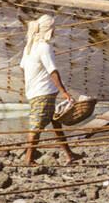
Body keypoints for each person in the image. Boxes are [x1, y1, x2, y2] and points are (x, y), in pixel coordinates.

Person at [20, 15, 84, 165]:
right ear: (48, 30)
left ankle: (69, 155)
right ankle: (29, 159)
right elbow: (52, 71)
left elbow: (22, 68)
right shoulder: (44, 47)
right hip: (44, 93)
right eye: (53, 29)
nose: (54, 32)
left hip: (35, 91)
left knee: (55, 123)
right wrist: (64, 92)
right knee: (36, 126)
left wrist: (30, 83)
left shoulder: (29, 46)